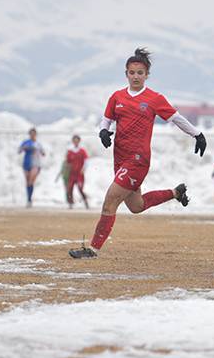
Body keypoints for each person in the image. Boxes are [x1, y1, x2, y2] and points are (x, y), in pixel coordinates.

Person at [69, 48, 207, 259]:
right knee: (136, 206)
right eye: (132, 72)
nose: (136, 76)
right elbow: (106, 119)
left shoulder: (154, 99)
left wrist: (197, 134)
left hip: (138, 160)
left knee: (110, 201)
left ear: (147, 75)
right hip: (120, 158)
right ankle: (175, 193)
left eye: (140, 73)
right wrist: (104, 131)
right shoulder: (117, 97)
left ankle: (93, 249)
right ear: (126, 74)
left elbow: (176, 118)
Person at [18, 128, 45, 207]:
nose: (32, 135)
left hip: (35, 164)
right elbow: (19, 151)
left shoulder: (38, 144)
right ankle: (28, 199)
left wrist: (37, 151)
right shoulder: (26, 142)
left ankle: (29, 199)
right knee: (27, 182)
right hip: (26, 163)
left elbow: (43, 153)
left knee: (31, 181)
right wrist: (24, 148)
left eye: (34, 134)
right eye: (31, 134)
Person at [65, 135, 90, 209]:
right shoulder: (70, 151)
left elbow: (86, 161)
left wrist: (83, 169)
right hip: (72, 174)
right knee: (70, 189)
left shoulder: (82, 151)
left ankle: (86, 202)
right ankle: (70, 203)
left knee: (80, 189)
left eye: (77, 140)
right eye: (74, 140)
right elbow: (67, 162)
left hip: (79, 174)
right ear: (73, 141)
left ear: (79, 141)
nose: (75, 142)